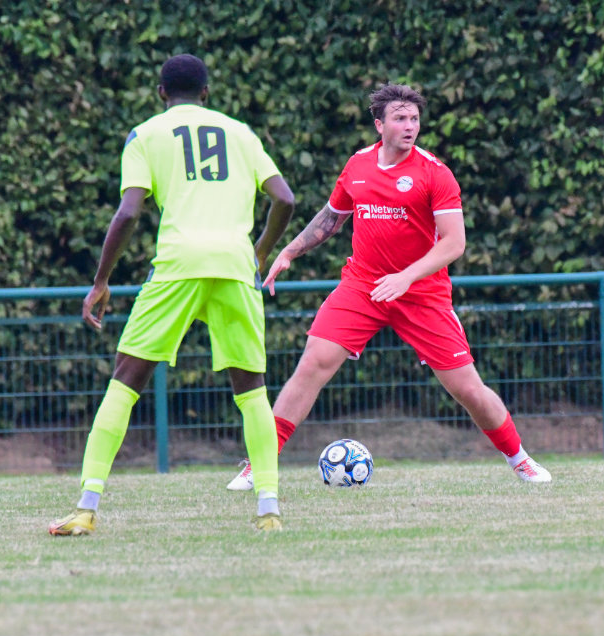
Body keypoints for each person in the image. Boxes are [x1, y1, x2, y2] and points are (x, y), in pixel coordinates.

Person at [227, 83, 550, 492]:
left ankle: (519, 459)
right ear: (380, 125)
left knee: (468, 389)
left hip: (422, 294)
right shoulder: (358, 165)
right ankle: (260, 464)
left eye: (414, 118)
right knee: (312, 365)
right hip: (362, 287)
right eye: (400, 118)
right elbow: (332, 216)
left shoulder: (435, 173)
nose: (410, 126)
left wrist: (405, 277)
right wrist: (290, 251)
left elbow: (454, 243)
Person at [49, 54, 294, 534]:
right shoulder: (241, 134)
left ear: (161, 93)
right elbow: (284, 198)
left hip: (178, 266)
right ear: (206, 92)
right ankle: (269, 512)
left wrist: (101, 281)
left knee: (124, 383)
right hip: (234, 266)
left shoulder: (146, 135)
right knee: (253, 393)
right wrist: (260, 251)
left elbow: (128, 213)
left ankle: (86, 509)